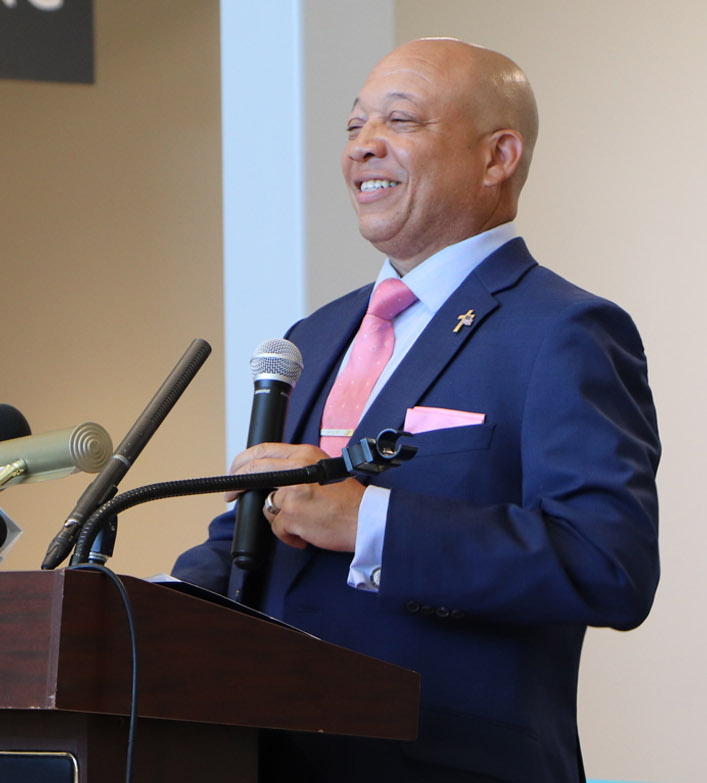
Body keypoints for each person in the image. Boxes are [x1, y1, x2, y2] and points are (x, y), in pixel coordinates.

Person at [173, 38, 658, 781]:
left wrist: (367, 520)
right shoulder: (315, 334)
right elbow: (258, 535)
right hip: (266, 754)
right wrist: (123, 613)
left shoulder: (564, 331)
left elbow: (605, 562)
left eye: (398, 121)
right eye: (352, 127)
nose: (363, 147)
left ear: (496, 157)